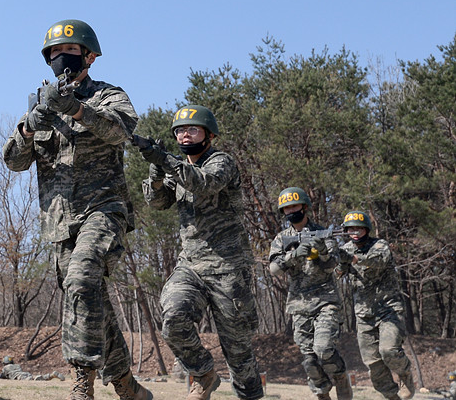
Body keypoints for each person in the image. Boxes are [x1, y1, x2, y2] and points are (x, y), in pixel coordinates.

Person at [2, 20, 151, 400]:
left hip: (103, 210)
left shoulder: (108, 96)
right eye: (53, 52)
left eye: (68, 51)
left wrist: (77, 110)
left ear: (89, 56)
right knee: (89, 298)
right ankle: (126, 385)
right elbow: (13, 162)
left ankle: (81, 382)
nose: (60, 58)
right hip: (59, 223)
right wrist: (27, 129)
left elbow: (120, 132)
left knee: (83, 279)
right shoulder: (39, 103)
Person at [137, 105, 263, 400]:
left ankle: (250, 395)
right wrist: (155, 171)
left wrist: (165, 160)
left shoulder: (222, 162)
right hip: (191, 265)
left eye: (192, 129)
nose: (184, 135)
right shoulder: (176, 169)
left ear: (209, 134)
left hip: (229, 268)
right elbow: (157, 202)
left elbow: (204, 184)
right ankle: (204, 373)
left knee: (239, 354)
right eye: (180, 131)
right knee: (173, 317)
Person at [268, 187, 353, 400]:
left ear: (305, 207)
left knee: (323, 349)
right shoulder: (281, 239)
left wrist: (322, 253)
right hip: (299, 303)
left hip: (326, 301)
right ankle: (322, 394)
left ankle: (341, 377)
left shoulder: (324, 233)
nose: (291, 211)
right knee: (310, 360)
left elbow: (331, 266)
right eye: (287, 209)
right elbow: (274, 270)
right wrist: (294, 255)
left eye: (295, 206)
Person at [335, 211, 414, 400]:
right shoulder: (345, 249)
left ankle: (405, 374)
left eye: (359, 228)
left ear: (366, 229)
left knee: (388, 350)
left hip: (388, 310)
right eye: (351, 228)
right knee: (373, 363)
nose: (354, 232)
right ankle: (391, 396)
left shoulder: (380, 245)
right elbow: (338, 273)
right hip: (364, 314)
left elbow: (376, 263)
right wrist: (333, 257)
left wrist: (349, 258)